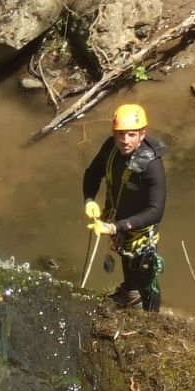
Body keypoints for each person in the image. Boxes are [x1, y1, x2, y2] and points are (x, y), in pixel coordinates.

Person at [81, 102, 166, 311]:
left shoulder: (152, 165)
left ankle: (153, 316)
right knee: (127, 264)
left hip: (139, 228)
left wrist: (116, 227)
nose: (125, 141)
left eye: (131, 135)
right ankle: (129, 291)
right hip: (116, 219)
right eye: (120, 134)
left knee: (146, 277)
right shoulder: (110, 149)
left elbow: (156, 211)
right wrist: (89, 200)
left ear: (142, 134)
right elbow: (92, 174)